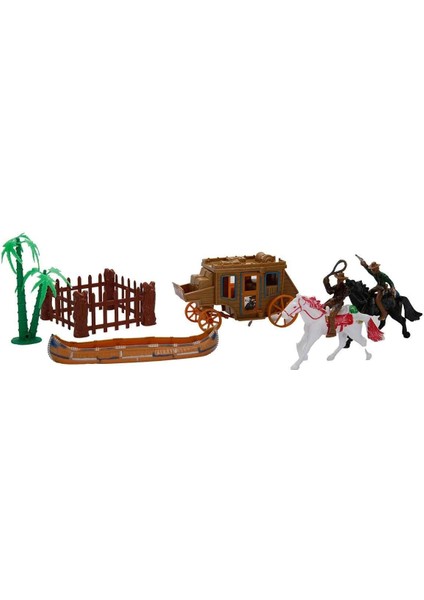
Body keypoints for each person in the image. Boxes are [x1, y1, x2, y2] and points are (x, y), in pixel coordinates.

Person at [323, 271, 349, 337]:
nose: (338, 280)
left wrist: (334, 299)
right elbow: (329, 291)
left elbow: (342, 297)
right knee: (322, 308)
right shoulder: (337, 286)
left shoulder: (345, 288)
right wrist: (326, 282)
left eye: (340, 279)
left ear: (342, 280)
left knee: (332, 315)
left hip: (338, 303)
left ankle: (332, 331)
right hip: (332, 301)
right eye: (338, 279)